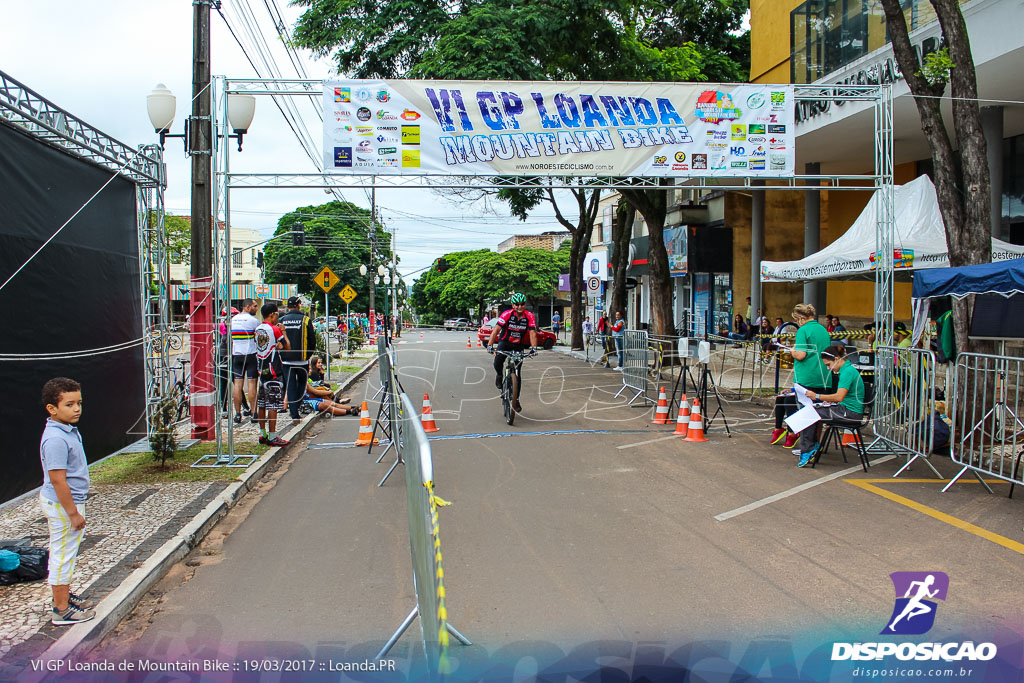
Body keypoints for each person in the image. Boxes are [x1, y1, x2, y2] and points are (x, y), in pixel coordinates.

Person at [38, 377, 96, 625]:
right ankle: (61, 610)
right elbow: (58, 480)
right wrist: (73, 513)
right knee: (63, 555)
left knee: (67, 553)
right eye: (69, 404)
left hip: (70, 501)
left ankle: (62, 597)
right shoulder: (55, 439)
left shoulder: (67, 430)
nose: (77, 409)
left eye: (79, 403)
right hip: (64, 504)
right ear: (52, 408)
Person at [769, 303, 833, 452]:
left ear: (801, 318)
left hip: (807, 376)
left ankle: (807, 447)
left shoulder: (803, 330)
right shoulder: (823, 330)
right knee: (818, 413)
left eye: (797, 320)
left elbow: (801, 354)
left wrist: (792, 351)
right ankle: (815, 444)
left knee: (805, 413)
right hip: (824, 375)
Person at [796, 345, 866, 467]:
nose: (828, 368)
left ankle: (808, 449)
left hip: (850, 413)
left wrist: (817, 396)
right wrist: (829, 402)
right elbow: (842, 398)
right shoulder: (846, 370)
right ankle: (813, 445)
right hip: (846, 409)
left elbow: (839, 397)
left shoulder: (847, 372)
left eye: (829, 365)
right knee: (813, 410)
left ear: (837, 359)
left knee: (808, 414)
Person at [487, 293, 538, 412]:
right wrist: (490, 345)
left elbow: (532, 333)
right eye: (517, 304)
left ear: (525, 304)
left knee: (518, 373)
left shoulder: (529, 316)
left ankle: (516, 399)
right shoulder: (506, 314)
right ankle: (499, 375)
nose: (520, 307)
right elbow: (496, 330)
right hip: (504, 343)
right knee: (497, 362)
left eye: (522, 304)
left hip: (518, 345)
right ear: (513, 305)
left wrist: (534, 348)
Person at [254, 303, 290, 447]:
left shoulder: (258, 329)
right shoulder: (275, 329)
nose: (278, 317)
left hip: (261, 369)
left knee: (262, 404)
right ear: (272, 314)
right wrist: (284, 332)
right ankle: (273, 436)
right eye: (277, 314)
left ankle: (263, 434)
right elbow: (287, 347)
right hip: (274, 370)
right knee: (273, 405)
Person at [279, 296, 318, 426]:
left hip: (286, 360)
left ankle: (294, 414)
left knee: (290, 386)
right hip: (302, 360)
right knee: (302, 384)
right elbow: (312, 340)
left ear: (288, 306)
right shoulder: (305, 320)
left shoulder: (282, 320)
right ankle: (298, 406)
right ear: (298, 305)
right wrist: (308, 355)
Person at [231, 299, 260, 424]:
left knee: (237, 385)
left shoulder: (233, 320)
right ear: (247, 307)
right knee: (252, 384)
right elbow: (259, 338)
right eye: (254, 306)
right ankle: (254, 413)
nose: (256, 308)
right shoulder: (254, 321)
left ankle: (237, 414)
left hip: (237, 354)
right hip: (251, 354)